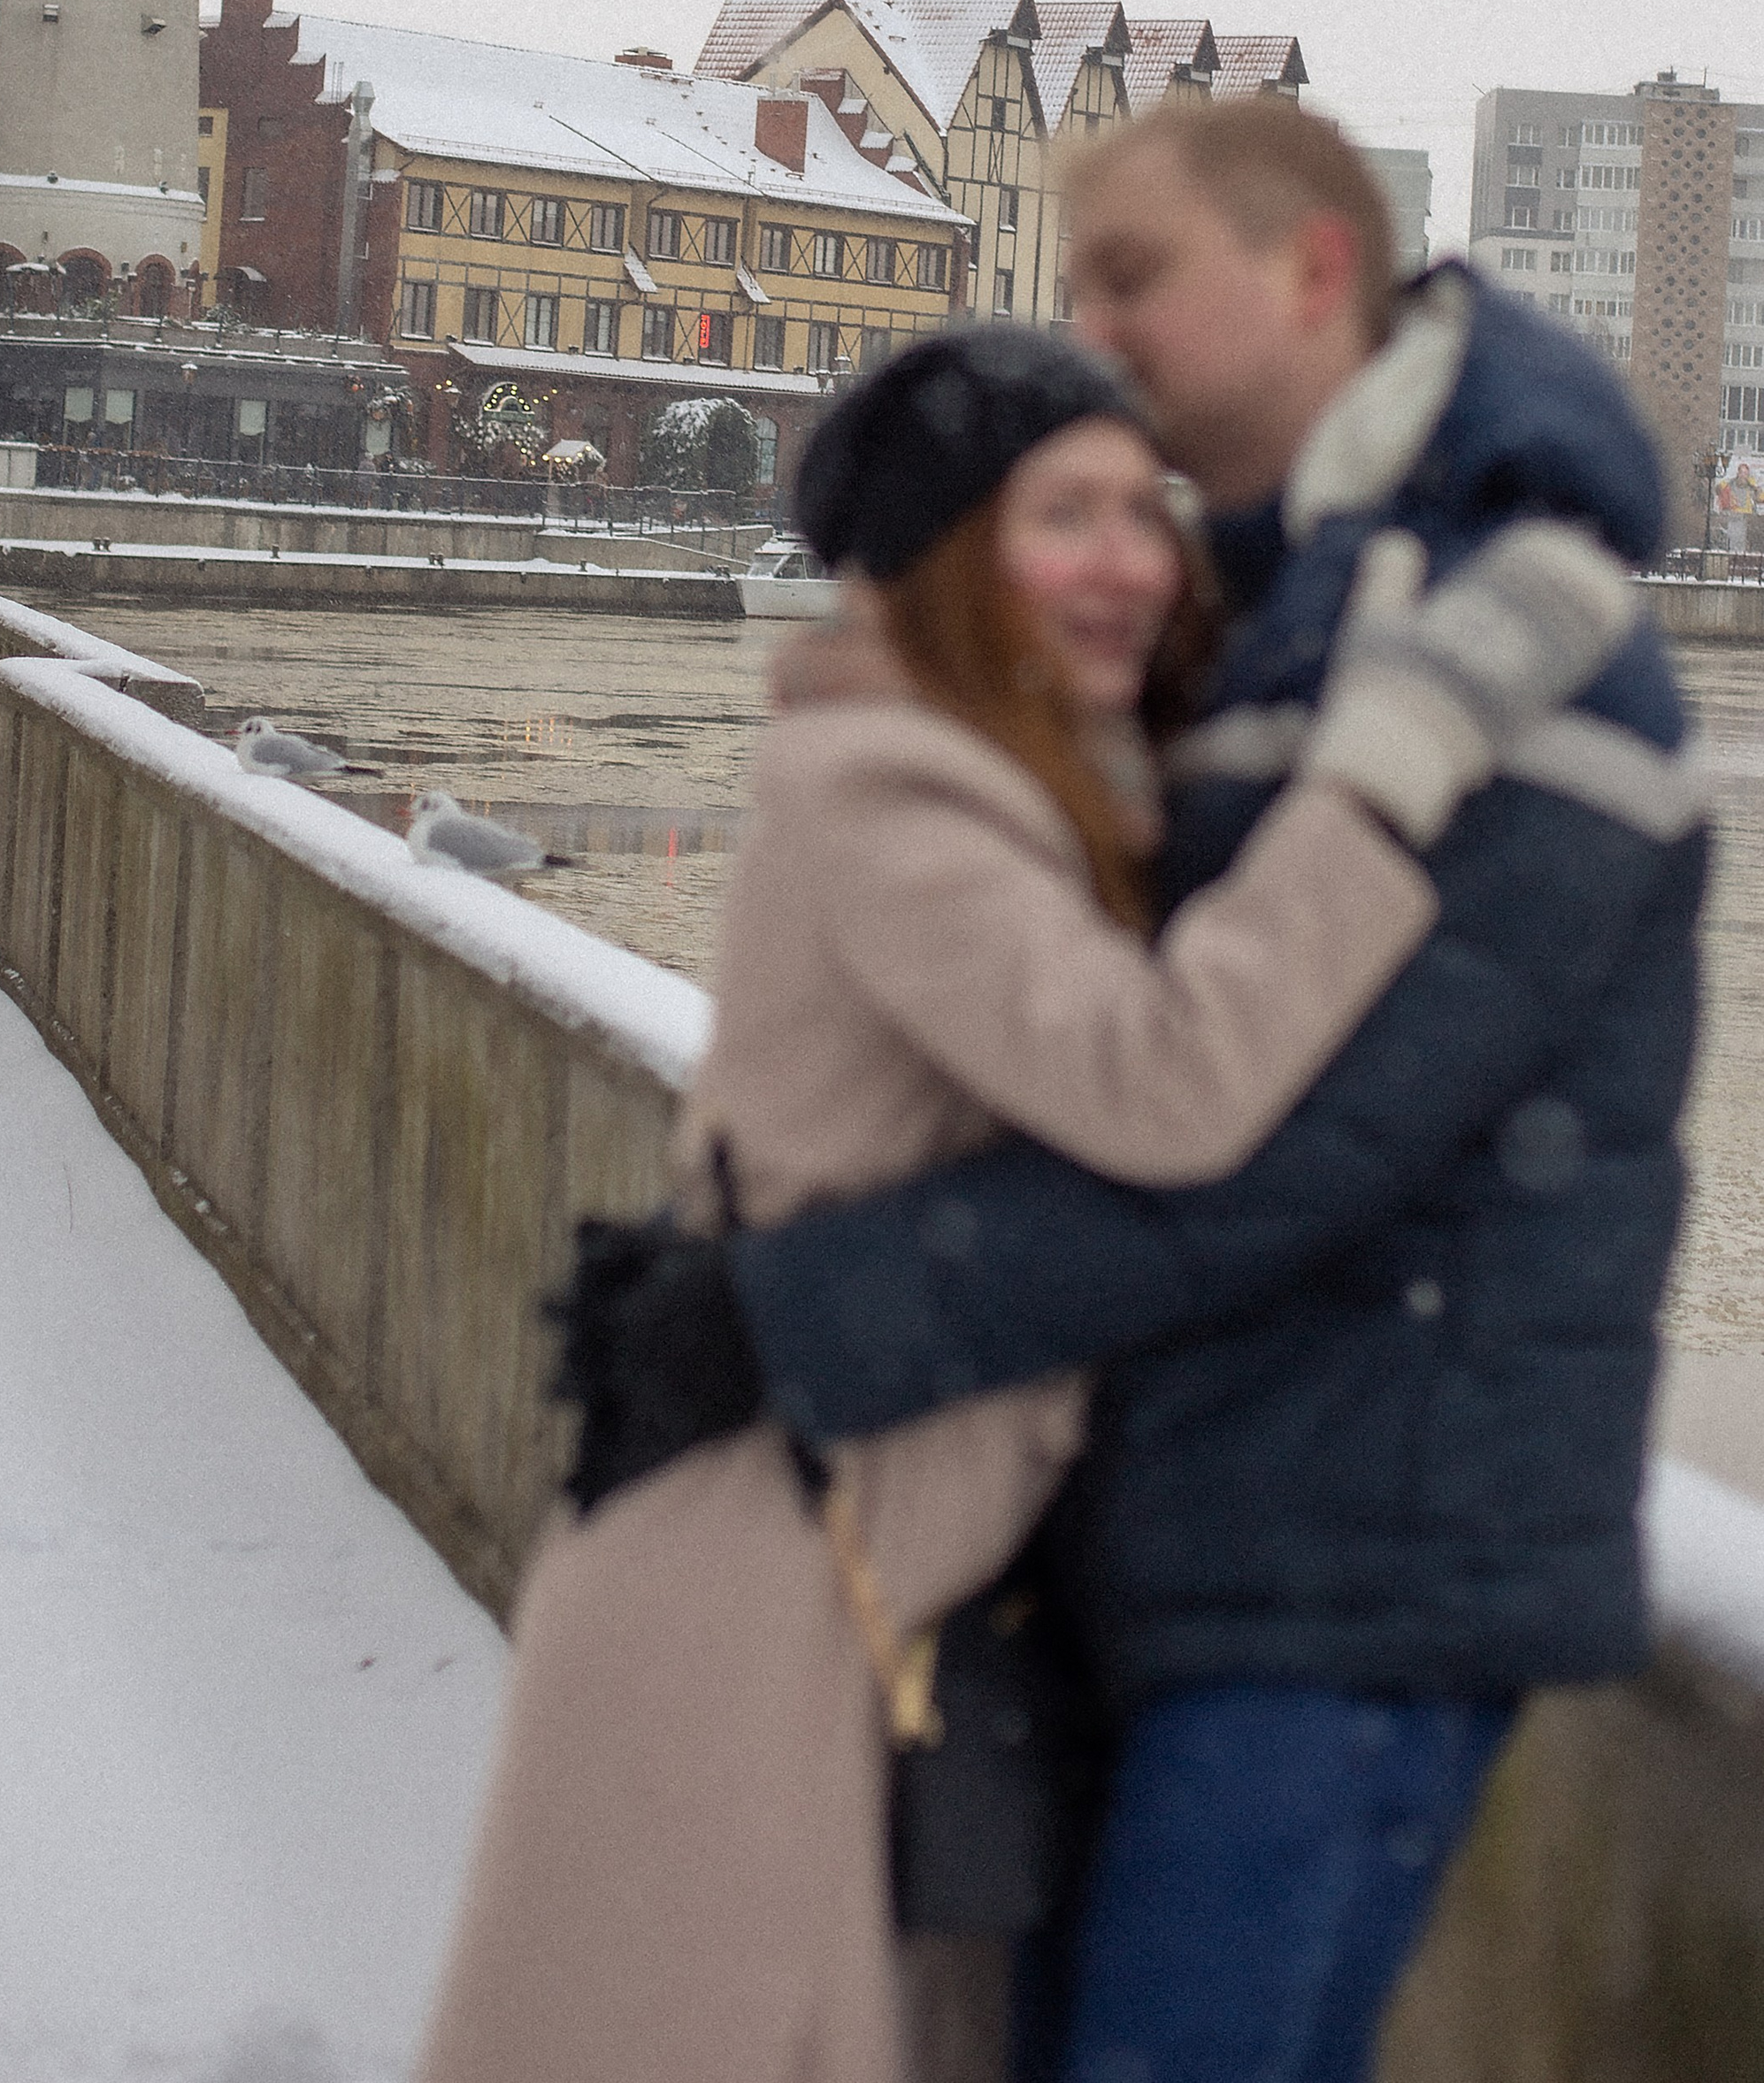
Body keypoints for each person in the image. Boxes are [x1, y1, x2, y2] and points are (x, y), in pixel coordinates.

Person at [559, 103, 1710, 2083]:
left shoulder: (1506, 641)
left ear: (1309, 274)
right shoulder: (1262, 610)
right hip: (1179, 1545)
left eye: (1125, 277)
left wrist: (792, 1315)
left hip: (1358, 1575)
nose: (1087, 326)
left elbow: (1282, 1152)